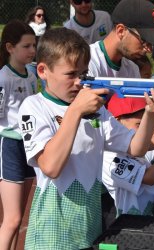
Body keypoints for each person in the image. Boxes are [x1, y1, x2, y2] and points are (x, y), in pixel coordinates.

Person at [18, 27, 154, 249]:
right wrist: (75, 111)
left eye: (83, 74)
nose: (79, 82)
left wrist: (150, 113)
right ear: (43, 70)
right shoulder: (34, 106)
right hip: (51, 233)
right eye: (70, 74)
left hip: (90, 228)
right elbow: (51, 166)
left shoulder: (97, 111)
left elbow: (136, 147)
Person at [0, 20, 37, 250]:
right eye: (26, 46)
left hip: (28, 145)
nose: (32, 51)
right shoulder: (3, 78)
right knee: (12, 220)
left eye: (34, 45)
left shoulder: (32, 76)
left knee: (20, 216)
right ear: (10, 48)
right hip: (10, 147)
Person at [88, 0, 154, 79]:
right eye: (144, 41)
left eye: (151, 43)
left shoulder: (132, 69)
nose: (149, 50)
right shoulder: (87, 61)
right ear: (121, 31)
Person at [25, 6, 50, 78]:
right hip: (30, 62)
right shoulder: (27, 30)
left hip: (44, 63)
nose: (41, 17)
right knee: (30, 85)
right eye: (39, 15)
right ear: (33, 16)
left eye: (43, 15)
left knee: (47, 86)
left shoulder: (48, 31)